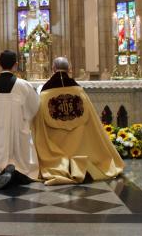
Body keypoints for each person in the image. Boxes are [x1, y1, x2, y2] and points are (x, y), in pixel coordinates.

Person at [32, 57, 124, 185]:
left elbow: (38, 122)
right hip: (79, 144)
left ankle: (59, 164)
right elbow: (92, 120)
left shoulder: (46, 92)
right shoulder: (78, 90)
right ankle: (79, 161)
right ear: (69, 69)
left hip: (54, 143)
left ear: (53, 69)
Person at [0, 50, 40, 190]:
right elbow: (34, 108)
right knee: (20, 162)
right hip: (15, 134)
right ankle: (13, 170)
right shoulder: (23, 86)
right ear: (16, 65)